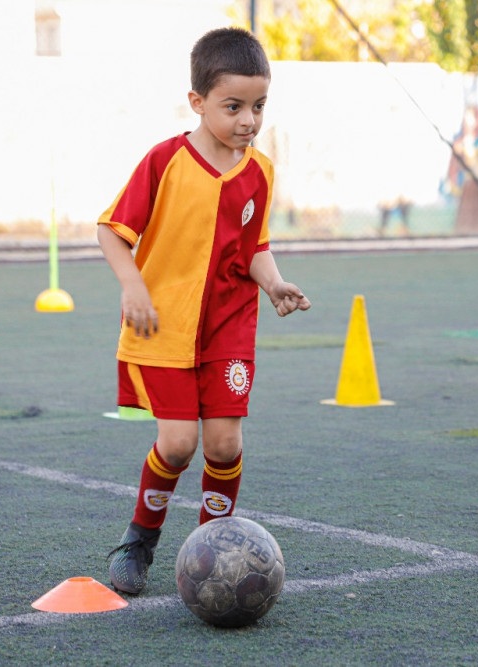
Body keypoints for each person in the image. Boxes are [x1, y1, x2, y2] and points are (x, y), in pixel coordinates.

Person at [96, 26, 311, 596]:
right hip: (163, 326)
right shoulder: (165, 161)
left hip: (229, 328)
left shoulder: (260, 173)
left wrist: (274, 283)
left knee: (223, 445)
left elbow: (255, 247)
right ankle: (138, 542)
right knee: (178, 445)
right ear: (198, 102)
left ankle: (213, 554)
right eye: (234, 106)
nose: (248, 120)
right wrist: (132, 285)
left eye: (259, 106)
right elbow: (111, 231)